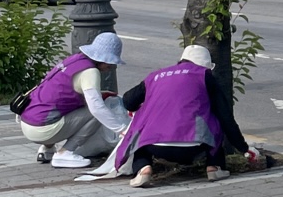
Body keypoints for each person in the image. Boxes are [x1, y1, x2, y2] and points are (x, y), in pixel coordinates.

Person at [103, 43, 252, 187]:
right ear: (206, 66)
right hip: (195, 146)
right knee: (214, 118)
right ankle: (214, 167)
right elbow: (225, 117)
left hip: (154, 145)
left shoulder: (155, 76)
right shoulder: (204, 76)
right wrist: (243, 148)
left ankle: (143, 168)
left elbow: (128, 101)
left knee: (142, 133)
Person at [20, 32, 128, 168]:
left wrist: (101, 94)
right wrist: (122, 130)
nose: (111, 67)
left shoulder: (74, 60)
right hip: (43, 130)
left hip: (27, 122)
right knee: (98, 112)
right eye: (110, 63)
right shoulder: (90, 72)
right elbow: (96, 108)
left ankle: (47, 149)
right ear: (103, 59)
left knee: (57, 105)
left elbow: (63, 93)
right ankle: (65, 153)